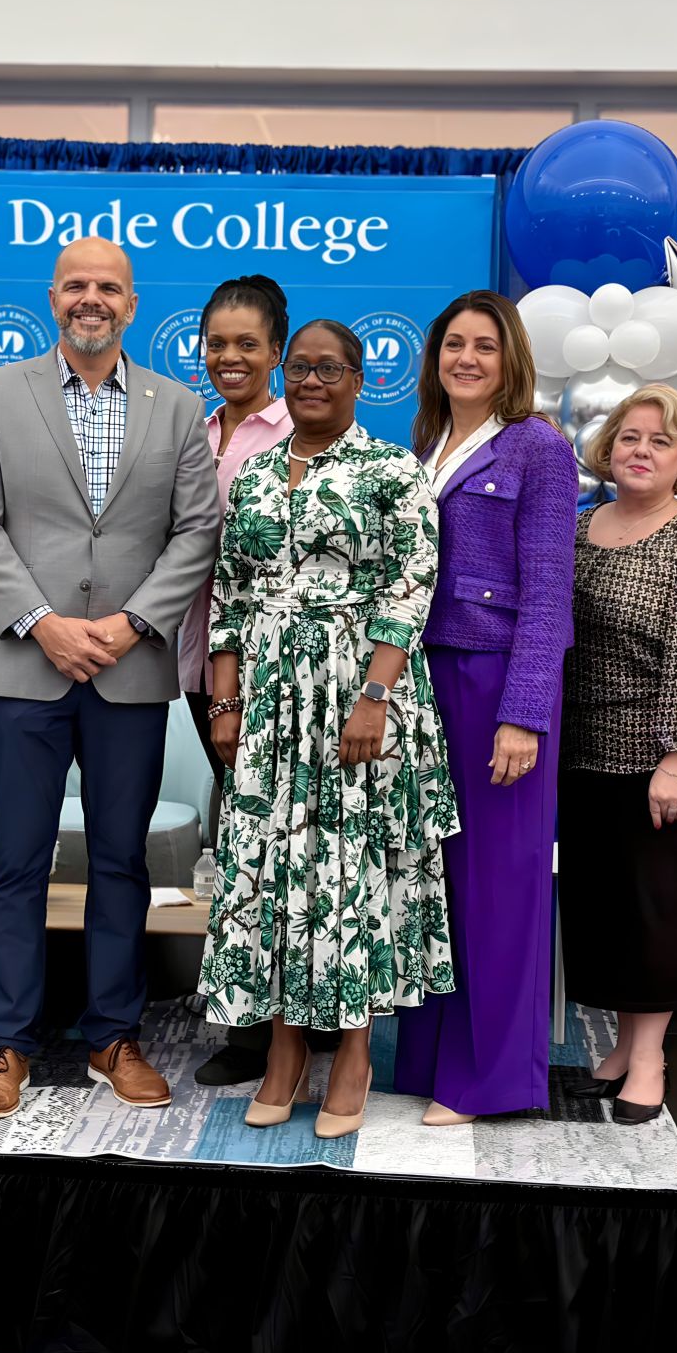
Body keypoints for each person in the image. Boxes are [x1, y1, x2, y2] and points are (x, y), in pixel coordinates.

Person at [0, 238, 218, 1119]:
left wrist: (132, 622)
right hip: (26, 665)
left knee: (120, 862)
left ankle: (112, 1037)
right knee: (17, 863)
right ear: (52, 297)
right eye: (75, 286)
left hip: (128, 671)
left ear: (132, 305)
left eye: (108, 287)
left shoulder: (178, 407)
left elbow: (197, 530)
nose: (90, 299)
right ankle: (7, 1043)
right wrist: (44, 622)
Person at [200, 318, 459, 1140]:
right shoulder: (254, 472)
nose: (312, 380)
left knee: (351, 872)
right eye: (300, 367)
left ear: (359, 379)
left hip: (358, 690)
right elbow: (230, 590)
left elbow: (411, 585)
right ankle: (284, 1052)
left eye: (330, 368)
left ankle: (352, 1052)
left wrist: (374, 696)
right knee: (276, 870)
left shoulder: (392, 470)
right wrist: (225, 700)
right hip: (271, 699)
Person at [392, 290, 577, 1124]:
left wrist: (524, 713)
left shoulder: (538, 447)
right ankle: (429, 1063)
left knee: (499, 885)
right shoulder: (425, 445)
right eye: (454, 344)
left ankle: (490, 1081)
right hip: (424, 678)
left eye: (485, 346)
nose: (467, 358)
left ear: (512, 361)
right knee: (432, 878)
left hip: (495, 682)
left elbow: (548, 592)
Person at [558, 386, 677, 1124]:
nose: (641, 450)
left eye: (661, 441)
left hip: (659, 760)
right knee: (606, 913)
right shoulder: (580, 528)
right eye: (629, 436)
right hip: (583, 755)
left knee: (658, 913)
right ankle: (621, 1048)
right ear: (607, 450)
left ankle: (648, 1059)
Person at [179, 274, 296, 1088]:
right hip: (196, 664)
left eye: (247, 344)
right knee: (242, 844)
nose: (231, 357)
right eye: (217, 343)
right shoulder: (190, 431)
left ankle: (285, 1029)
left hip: (277, 672)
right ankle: (257, 1022)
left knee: (280, 843)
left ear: (277, 351)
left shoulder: (299, 434)